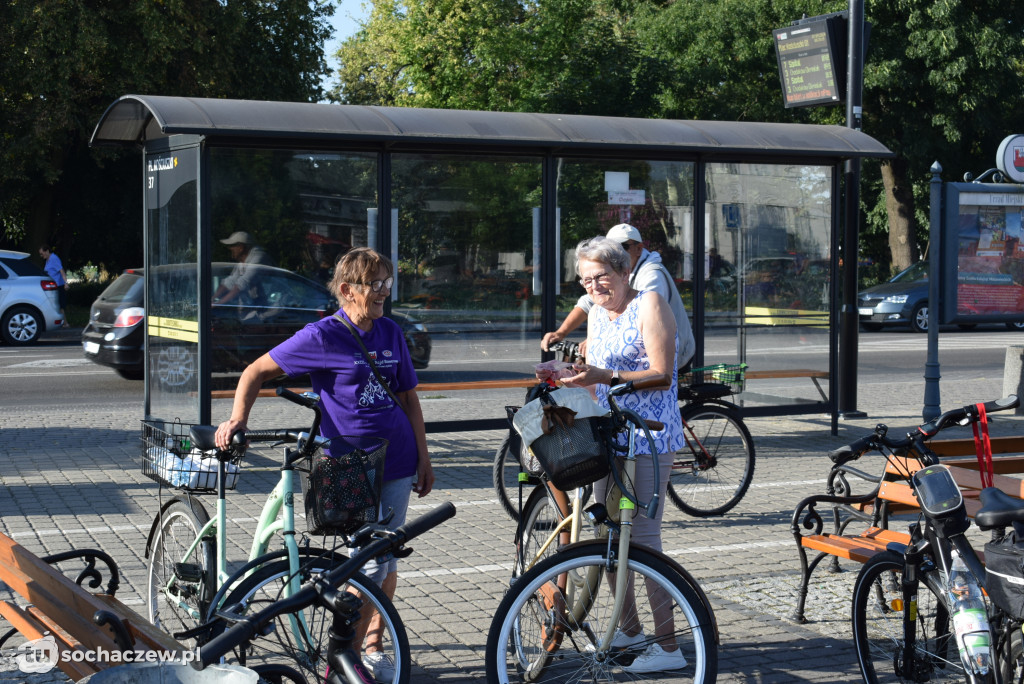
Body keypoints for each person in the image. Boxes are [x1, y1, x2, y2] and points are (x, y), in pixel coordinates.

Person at [214, 247, 434, 681]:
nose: (384, 292)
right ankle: (345, 659)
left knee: (386, 561)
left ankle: (372, 646)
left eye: (388, 283)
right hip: (351, 465)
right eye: (376, 284)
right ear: (348, 290)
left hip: (400, 460)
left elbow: (409, 398)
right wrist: (239, 418)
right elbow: (254, 372)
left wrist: (424, 458)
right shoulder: (321, 336)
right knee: (366, 563)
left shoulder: (390, 332)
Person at [560, 236, 686, 673]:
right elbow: (595, 379)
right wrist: (569, 378)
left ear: (623, 272)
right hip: (608, 437)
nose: (595, 286)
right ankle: (630, 631)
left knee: (644, 540)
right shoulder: (595, 313)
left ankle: (669, 647)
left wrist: (604, 374)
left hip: (649, 437)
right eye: (586, 279)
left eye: (602, 277)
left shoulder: (649, 304)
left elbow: (662, 374)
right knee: (608, 537)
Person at [541, 224, 695, 372]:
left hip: (674, 353)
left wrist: (596, 341)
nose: (616, 253)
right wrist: (561, 333)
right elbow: (588, 301)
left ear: (638, 249)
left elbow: (642, 314)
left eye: (623, 247)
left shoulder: (652, 275)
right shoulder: (599, 303)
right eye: (610, 249)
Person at [212, 231, 275, 305]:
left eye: (232, 245)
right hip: (256, 304)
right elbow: (230, 281)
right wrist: (212, 299)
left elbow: (243, 282)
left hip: (272, 304)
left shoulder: (259, 258)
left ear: (241, 247)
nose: (229, 248)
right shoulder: (242, 261)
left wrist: (219, 303)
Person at [38, 244, 69, 327]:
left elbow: (61, 271)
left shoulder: (54, 259)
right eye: (40, 254)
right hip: (52, 286)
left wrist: (66, 283)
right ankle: (63, 323)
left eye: (42, 253)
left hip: (58, 285)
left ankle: (65, 323)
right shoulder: (48, 260)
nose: (41, 256)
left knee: (60, 305)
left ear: (47, 251)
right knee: (57, 305)